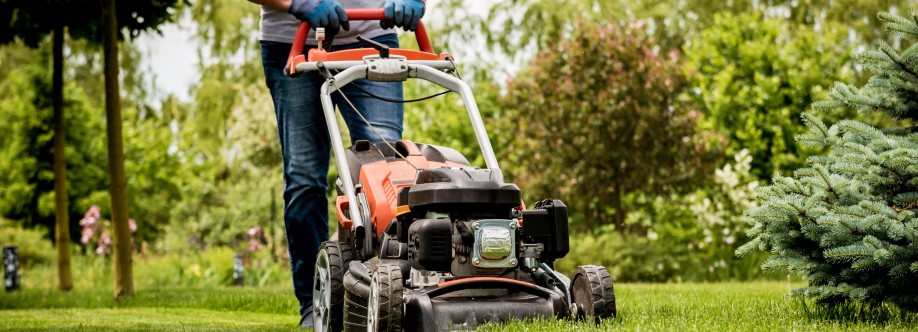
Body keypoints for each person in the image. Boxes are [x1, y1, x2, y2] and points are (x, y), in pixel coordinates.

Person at [247, 0, 426, 328]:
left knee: (385, 173)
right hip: (292, 38)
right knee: (304, 178)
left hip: (372, 35)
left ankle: (386, 293)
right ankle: (314, 304)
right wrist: (297, 3)